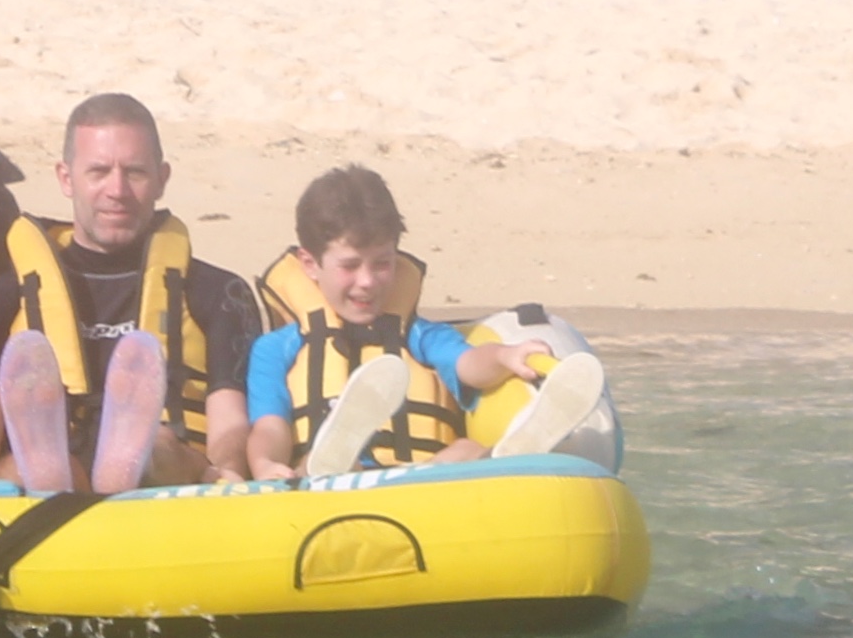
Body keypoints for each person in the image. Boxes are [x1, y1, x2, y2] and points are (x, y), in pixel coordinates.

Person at [0, 91, 258, 495]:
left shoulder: (219, 294)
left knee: (158, 447)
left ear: (162, 178)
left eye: (135, 172)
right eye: (98, 171)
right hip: (46, 481)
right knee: (19, 468)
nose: (117, 189)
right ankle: (49, 466)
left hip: (170, 479)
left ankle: (126, 459)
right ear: (66, 178)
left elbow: (231, 421)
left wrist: (228, 470)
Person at [244, 165, 594, 479]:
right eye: (350, 265)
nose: (367, 281)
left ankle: (515, 454)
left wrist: (505, 357)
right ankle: (338, 456)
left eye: (382, 263)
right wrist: (264, 464)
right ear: (309, 264)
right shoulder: (276, 348)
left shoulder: (419, 335)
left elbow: (469, 365)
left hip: (420, 480)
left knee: (466, 450)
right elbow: (270, 426)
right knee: (319, 464)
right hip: (329, 480)